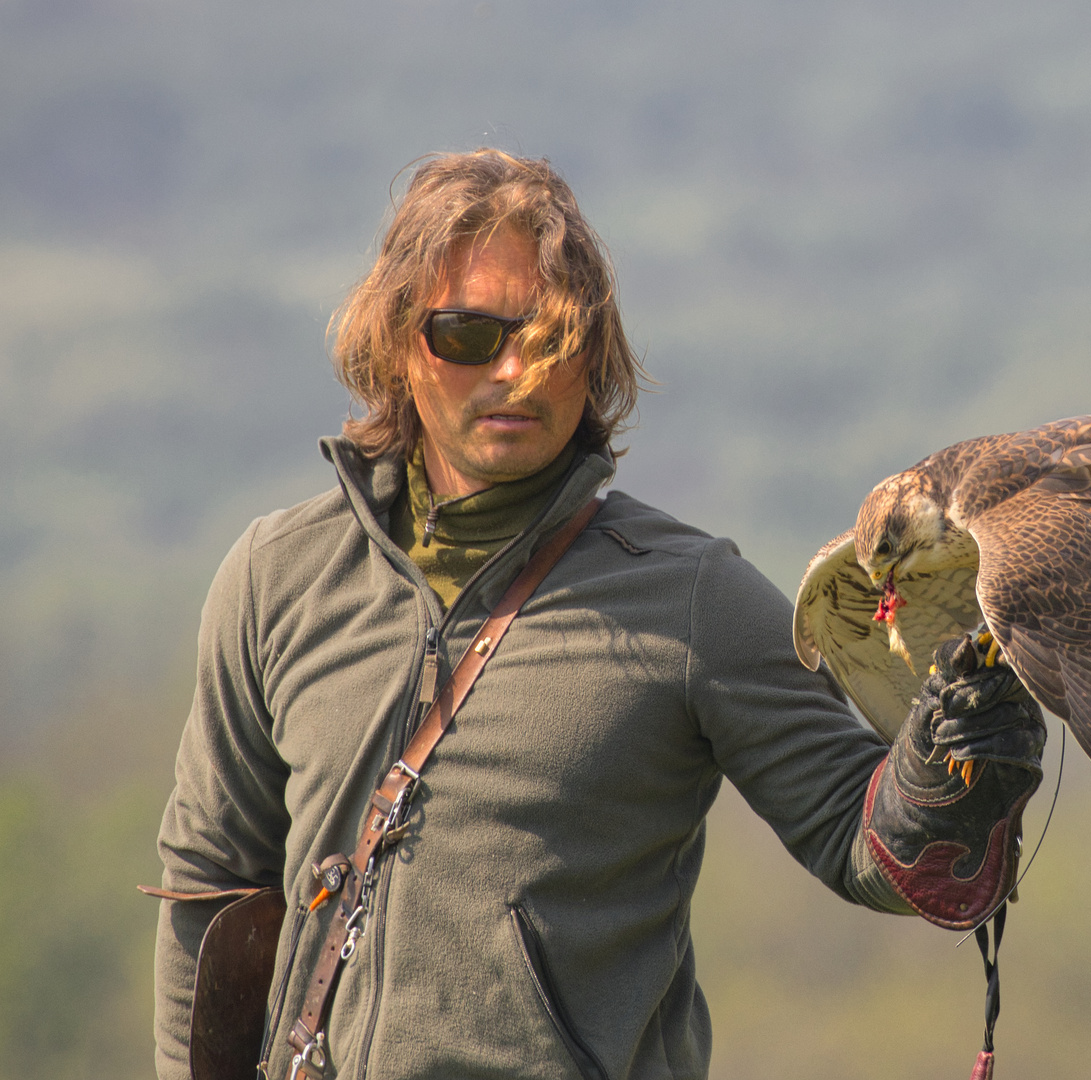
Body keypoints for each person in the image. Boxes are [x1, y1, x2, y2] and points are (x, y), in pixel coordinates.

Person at [153, 149, 1045, 1080]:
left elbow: (857, 836)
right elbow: (212, 893)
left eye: (552, 337)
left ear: (596, 356)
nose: (515, 370)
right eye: (467, 335)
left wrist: (949, 783)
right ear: (396, 343)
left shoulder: (690, 596)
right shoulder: (279, 573)